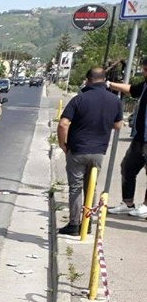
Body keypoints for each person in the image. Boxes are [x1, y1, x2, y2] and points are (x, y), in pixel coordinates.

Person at [57, 67, 124, 236]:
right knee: (91, 187)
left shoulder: (79, 99)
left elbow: (63, 124)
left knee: (75, 188)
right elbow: (118, 125)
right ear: (104, 79)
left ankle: (74, 224)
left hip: (78, 150)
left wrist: (63, 144)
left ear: (88, 80)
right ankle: (89, 222)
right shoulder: (114, 101)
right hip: (98, 151)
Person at [103, 58, 147, 217]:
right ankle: (128, 203)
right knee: (127, 168)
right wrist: (109, 84)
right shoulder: (144, 86)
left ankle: (146, 207)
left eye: (145, 69)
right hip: (140, 137)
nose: (143, 72)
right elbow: (131, 90)